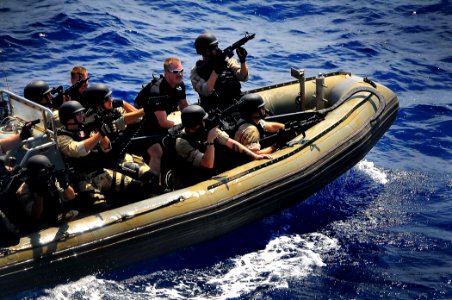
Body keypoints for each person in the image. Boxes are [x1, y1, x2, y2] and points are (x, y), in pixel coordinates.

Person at [57, 100, 151, 207]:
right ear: (69, 119)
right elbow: (78, 150)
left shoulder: (86, 129)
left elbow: (106, 148)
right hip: (84, 180)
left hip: (101, 173)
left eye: (82, 114)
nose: (82, 117)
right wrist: (99, 134)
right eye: (78, 115)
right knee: (100, 206)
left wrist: (102, 130)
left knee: (137, 187)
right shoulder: (62, 138)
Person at [164, 105, 272, 189]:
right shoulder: (181, 143)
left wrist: (254, 156)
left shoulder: (205, 129)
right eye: (203, 121)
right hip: (189, 176)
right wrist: (210, 141)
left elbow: (231, 143)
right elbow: (207, 164)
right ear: (196, 124)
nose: (206, 122)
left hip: (204, 170)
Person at [133, 57, 189, 178]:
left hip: (160, 122)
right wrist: (181, 125)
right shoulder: (157, 91)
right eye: (176, 72)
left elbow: (184, 107)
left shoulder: (180, 85)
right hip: (142, 126)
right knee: (157, 151)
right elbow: (163, 122)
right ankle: (154, 186)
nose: (180, 74)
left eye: (181, 71)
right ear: (166, 73)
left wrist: (191, 120)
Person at [190, 33, 249, 113]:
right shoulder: (196, 71)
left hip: (236, 104)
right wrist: (216, 70)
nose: (217, 49)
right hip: (216, 110)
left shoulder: (227, 61)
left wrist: (242, 60)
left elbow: (243, 77)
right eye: (214, 47)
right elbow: (206, 91)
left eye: (217, 46)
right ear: (206, 51)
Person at [15, 155, 77, 229]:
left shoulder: (52, 179)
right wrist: (40, 195)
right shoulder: (24, 190)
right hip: (43, 225)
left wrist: (65, 185)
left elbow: (71, 196)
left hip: (59, 215)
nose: (47, 175)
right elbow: (35, 216)